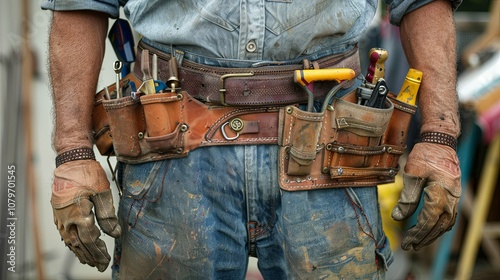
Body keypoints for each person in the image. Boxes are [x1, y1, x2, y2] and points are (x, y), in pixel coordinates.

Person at [42, 0, 462, 279]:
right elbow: (81, 3)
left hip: (330, 145)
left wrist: (439, 133)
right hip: (172, 148)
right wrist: (74, 150)